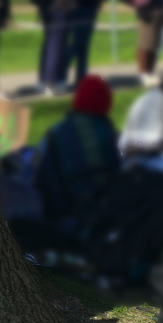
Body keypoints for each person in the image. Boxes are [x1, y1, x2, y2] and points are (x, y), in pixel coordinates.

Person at [35, 74, 120, 217]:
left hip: (60, 214)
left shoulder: (54, 134)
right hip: (103, 213)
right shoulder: (109, 133)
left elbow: (34, 172)